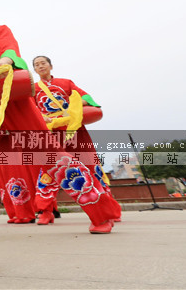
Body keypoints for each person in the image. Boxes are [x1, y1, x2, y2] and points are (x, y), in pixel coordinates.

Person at [0, 0, 120, 234]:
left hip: (11, 97)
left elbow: (10, 52)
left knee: (49, 154)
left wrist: (4, 64)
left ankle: (101, 213)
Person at [31, 55, 122, 225]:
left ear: (51, 66)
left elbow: (87, 98)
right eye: (37, 65)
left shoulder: (66, 83)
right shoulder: (34, 88)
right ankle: (45, 210)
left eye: (43, 63)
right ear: (34, 70)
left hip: (74, 129)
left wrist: (72, 108)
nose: (41, 66)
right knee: (49, 171)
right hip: (51, 132)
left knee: (90, 165)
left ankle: (110, 209)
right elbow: (31, 110)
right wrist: (43, 117)